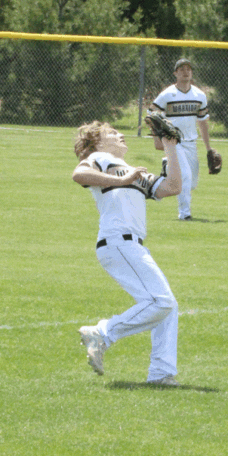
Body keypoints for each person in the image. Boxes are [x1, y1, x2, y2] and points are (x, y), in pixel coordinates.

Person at [72, 120, 182, 385]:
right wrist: (122, 179)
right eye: (112, 133)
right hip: (117, 242)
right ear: (97, 143)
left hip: (130, 245)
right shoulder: (100, 158)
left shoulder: (134, 171)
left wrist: (170, 148)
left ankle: (162, 374)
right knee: (162, 302)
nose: (120, 135)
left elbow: (172, 188)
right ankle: (103, 333)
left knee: (168, 306)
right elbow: (79, 174)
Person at [149, 58, 215, 221]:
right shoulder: (167, 94)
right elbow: (151, 116)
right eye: (182, 69)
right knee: (184, 175)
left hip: (191, 143)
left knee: (190, 182)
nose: (186, 71)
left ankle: (168, 169)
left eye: (188, 69)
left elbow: (203, 122)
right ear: (175, 73)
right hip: (173, 141)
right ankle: (185, 214)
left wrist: (208, 149)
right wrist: (157, 139)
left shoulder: (199, 95)